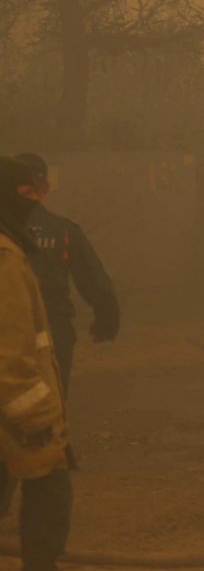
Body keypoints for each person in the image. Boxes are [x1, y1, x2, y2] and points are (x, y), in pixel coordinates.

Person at [0, 156, 100, 571]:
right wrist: (41, 423)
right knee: (50, 490)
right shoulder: (4, 257)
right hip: (15, 411)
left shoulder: (14, 247)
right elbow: (13, 354)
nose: (32, 207)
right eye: (25, 197)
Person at [14, 155, 118, 395]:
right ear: (46, 188)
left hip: (8, 331)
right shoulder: (64, 231)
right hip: (53, 331)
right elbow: (94, 280)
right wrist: (106, 320)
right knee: (52, 403)